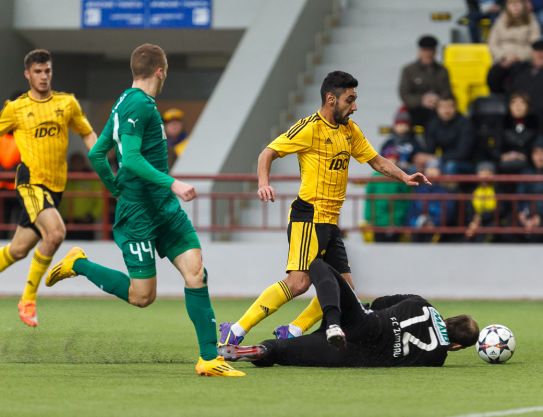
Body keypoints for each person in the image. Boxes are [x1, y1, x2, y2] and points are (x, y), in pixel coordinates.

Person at [45, 43, 243, 377]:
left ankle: (209, 359)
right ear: (160, 71)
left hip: (163, 210)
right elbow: (133, 158)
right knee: (142, 296)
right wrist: (172, 184)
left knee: (195, 270)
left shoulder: (126, 101)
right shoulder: (138, 104)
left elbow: (97, 154)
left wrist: (115, 187)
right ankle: (78, 263)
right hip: (139, 213)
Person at [219, 71, 431, 345]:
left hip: (330, 221)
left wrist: (404, 176)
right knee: (299, 283)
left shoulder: (349, 130)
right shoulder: (309, 128)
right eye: (350, 99)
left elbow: (376, 161)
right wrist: (263, 183)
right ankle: (236, 331)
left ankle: (292, 331)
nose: (355, 106)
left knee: (346, 289)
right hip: (308, 216)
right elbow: (267, 152)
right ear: (331, 99)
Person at [219, 259, 479, 368]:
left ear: (449, 318)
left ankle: (331, 323)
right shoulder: (437, 358)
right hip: (356, 356)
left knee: (319, 266)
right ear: (456, 345)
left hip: (365, 323)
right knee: (282, 351)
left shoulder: (422, 304)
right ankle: (261, 351)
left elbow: (379, 302)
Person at [0, 49, 97, 327]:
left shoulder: (67, 104)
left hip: (55, 189)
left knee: (18, 250)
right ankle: (28, 300)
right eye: (38, 72)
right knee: (55, 234)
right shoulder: (16, 108)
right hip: (30, 183)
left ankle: (27, 298)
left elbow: (87, 132)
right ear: (27, 74)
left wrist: (101, 161)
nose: (43, 77)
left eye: (47, 71)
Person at [398, 35, 452, 127]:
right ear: (420, 52)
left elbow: (447, 91)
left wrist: (437, 100)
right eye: (425, 51)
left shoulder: (442, 70)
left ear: (435, 52)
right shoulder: (409, 70)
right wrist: (421, 100)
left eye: (430, 51)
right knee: (402, 119)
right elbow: (404, 94)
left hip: (437, 109)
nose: (428, 54)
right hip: (415, 109)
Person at [487, 39, 543, 128]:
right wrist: (503, 66)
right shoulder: (520, 69)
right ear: (532, 53)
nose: (540, 54)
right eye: (538, 51)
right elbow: (494, 85)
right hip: (513, 122)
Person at [363, 144, 411, 243]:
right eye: (389, 158)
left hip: (396, 221)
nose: (392, 161)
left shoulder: (402, 176)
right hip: (378, 221)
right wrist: (368, 218)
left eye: (394, 158)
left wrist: (403, 219)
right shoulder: (375, 177)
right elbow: (369, 198)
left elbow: (406, 199)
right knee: (379, 248)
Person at [423, 95, 474, 175]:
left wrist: (438, 159)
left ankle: (450, 188)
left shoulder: (465, 123)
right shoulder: (433, 123)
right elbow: (430, 150)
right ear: (437, 109)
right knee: (417, 167)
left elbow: (462, 153)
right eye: (442, 107)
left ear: (456, 107)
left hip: (467, 162)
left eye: (449, 107)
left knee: (450, 166)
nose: (446, 110)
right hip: (444, 160)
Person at [516, 138, 543, 242]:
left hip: (540, 216)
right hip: (528, 214)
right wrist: (523, 214)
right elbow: (520, 196)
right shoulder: (526, 173)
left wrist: (539, 216)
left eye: (542, 153)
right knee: (509, 229)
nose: (540, 157)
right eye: (536, 153)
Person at [465, 161, 498, 242]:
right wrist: (473, 223)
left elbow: (500, 210)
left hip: (490, 221)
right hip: (475, 222)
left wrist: (481, 218)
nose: (485, 175)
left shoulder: (497, 190)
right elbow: (469, 210)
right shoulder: (472, 190)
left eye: (488, 172)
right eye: (482, 172)